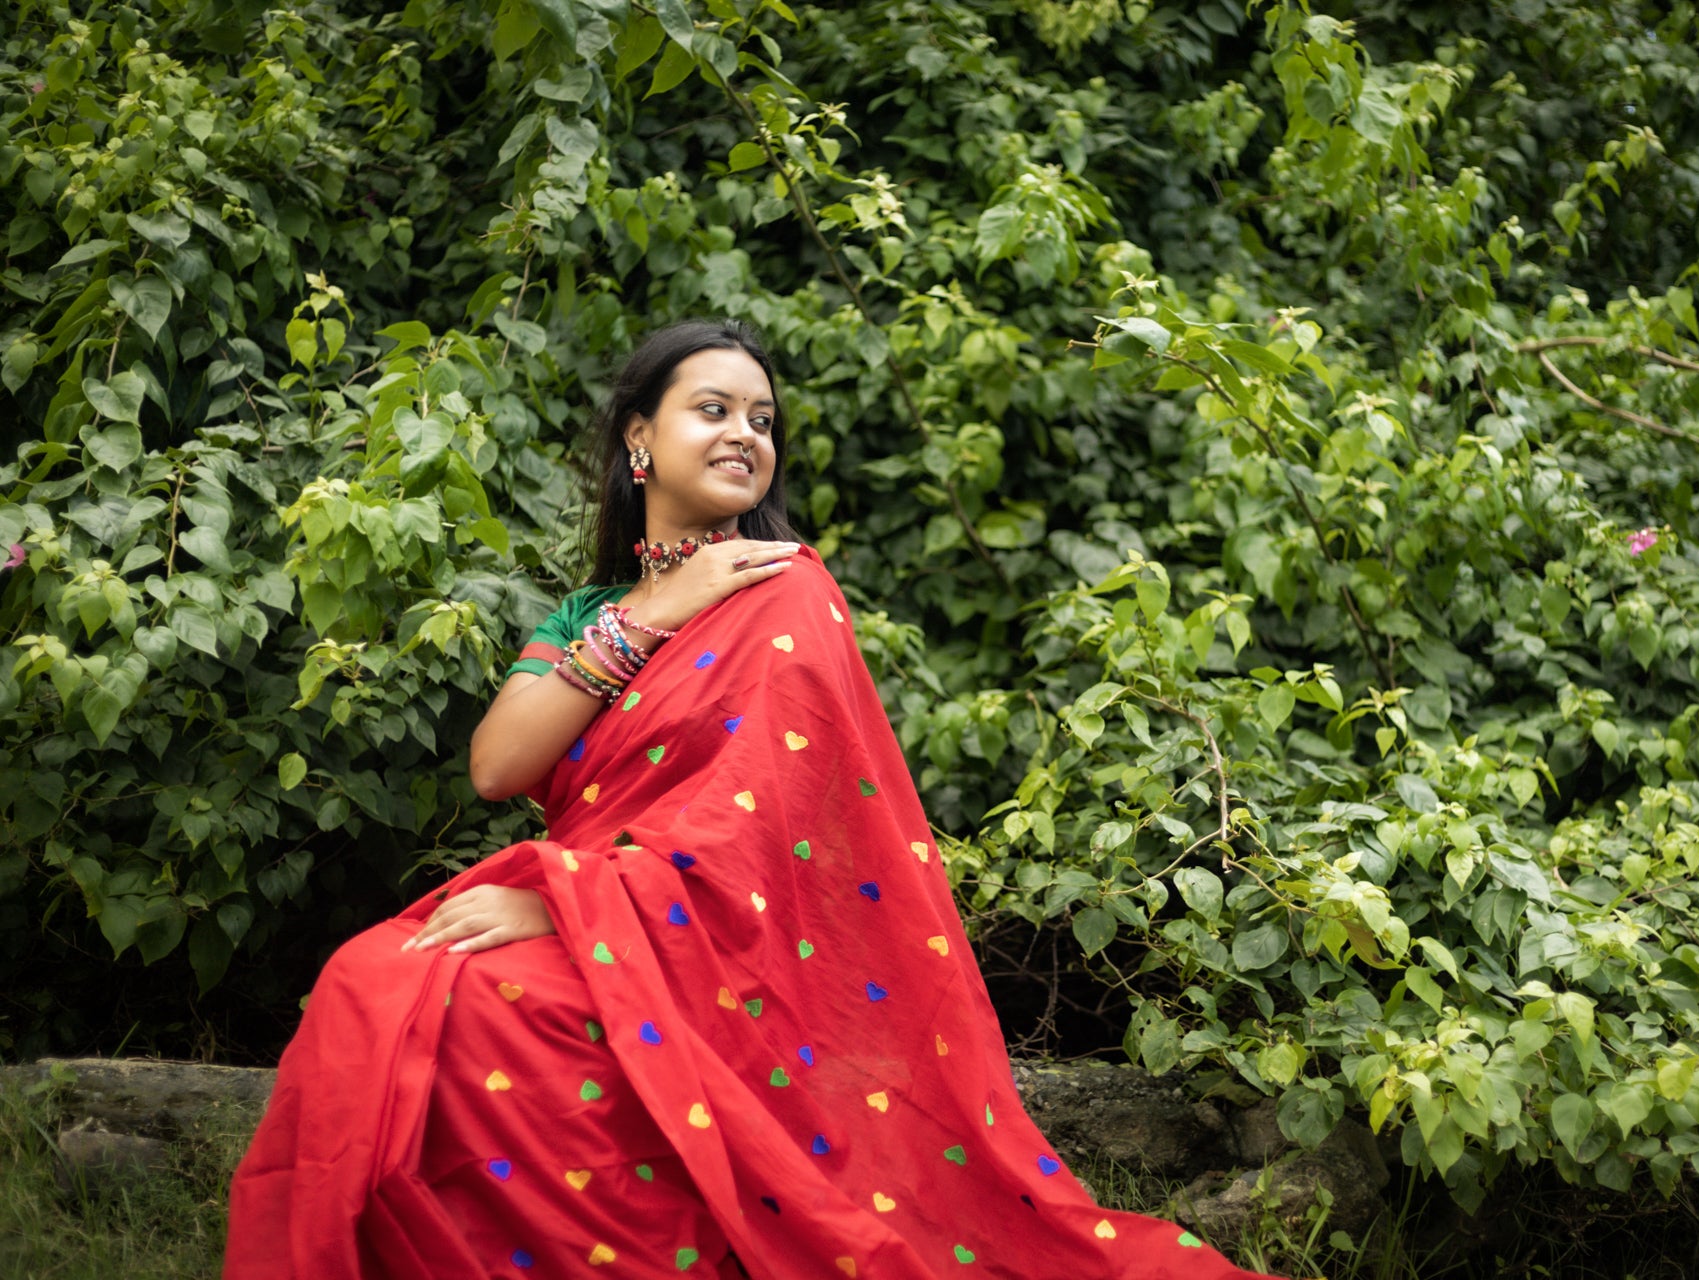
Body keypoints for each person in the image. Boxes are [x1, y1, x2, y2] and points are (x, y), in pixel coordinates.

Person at [225, 320, 1266, 1279]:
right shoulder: (590, 612)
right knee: (372, 977)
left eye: (762, 420)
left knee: (493, 1012)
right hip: (615, 910)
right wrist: (653, 611)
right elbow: (498, 766)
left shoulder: (786, 586)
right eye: (713, 408)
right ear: (641, 438)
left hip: (714, 945)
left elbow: (761, 821)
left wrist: (561, 905)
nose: (744, 433)